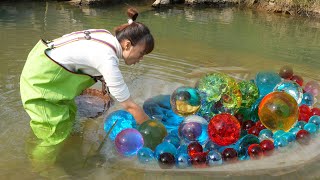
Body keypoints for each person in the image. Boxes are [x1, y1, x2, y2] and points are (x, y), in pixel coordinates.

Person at [20, 8, 154, 167]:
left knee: (69, 118)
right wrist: (153, 131)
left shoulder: (106, 37)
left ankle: (58, 153)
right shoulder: (107, 59)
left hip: (46, 72)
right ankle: (37, 168)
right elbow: (130, 106)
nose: (141, 58)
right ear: (127, 44)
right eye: (141, 53)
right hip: (41, 83)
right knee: (55, 135)